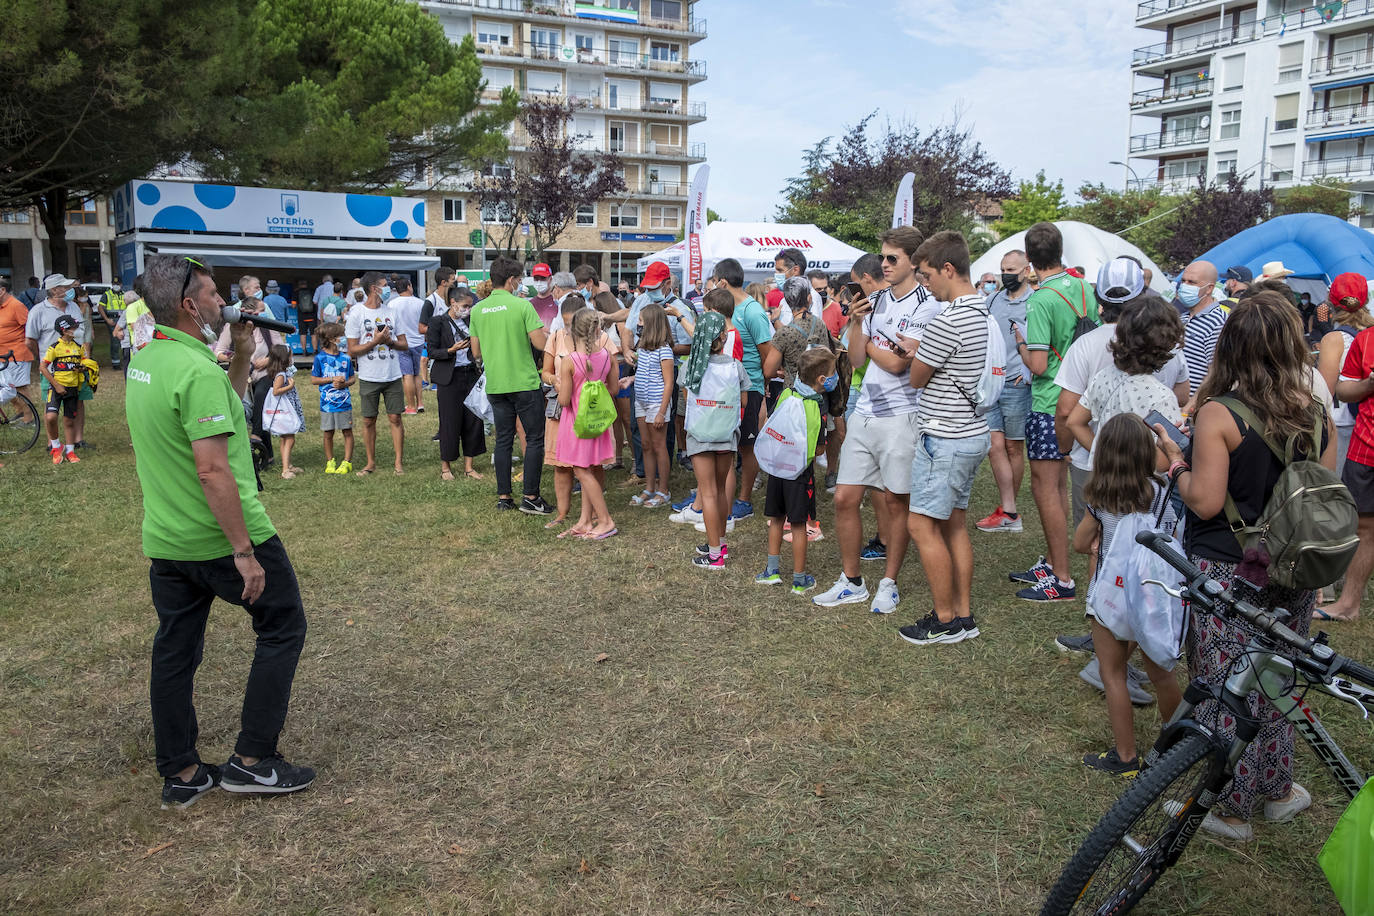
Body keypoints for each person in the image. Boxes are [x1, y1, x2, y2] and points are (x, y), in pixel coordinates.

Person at [125, 252, 313, 809]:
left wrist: (236, 348)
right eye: (211, 293)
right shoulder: (193, 370)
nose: (219, 299)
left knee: (175, 649)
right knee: (283, 627)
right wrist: (244, 552)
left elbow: (223, 403)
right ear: (188, 304)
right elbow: (212, 469)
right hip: (222, 537)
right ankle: (253, 761)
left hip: (167, 538)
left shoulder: (149, 359)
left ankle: (181, 770)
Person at [1156, 292, 1325, 840]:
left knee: (1226, 681)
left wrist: (1172, 465)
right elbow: (1322, 486)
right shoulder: (1314, 409)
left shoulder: (1219, 413)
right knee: (1279, 677)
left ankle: (1229, 805)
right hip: (1292, 562)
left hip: (1233, 567)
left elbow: (1204, 501)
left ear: (1231, 346)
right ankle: (1277, 788)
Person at [814, 227, 939, 616]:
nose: (884, 264)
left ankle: (889, 583)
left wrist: (870, 342)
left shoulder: (926, 304)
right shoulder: (875, 300)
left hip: (903, 415)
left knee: (895, 501)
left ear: (913, 262)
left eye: (892, 258)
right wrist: (855, 325)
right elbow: (855, 360)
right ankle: (852, 582)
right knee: (845, 499)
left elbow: (901, 364)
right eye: (882, 257)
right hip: (867, 412)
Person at [896, 230, 992, 645]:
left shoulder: (947, 318)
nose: (923, 283)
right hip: (972, 432)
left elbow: (917, 378)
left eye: (926, 274)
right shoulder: (984, 310)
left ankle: (945, 619)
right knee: (954, 524)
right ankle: (963, 614)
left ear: (947, 269)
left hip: (945, 435)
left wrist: (915, 352)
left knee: (920, 525)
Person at [1074, 413, 1183, 776]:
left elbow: (1078, 543)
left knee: (1114, 675)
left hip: (1111, 596)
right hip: (1154, 595)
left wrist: (1093, 542)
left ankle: (1125, 757)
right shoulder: (1165, 491)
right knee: (1162, 674)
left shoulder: (1100, 498)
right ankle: (1180, 747)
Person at [1008, 222, 1099, 601]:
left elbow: (1041, 365)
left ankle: (1061, 578)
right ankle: (1051, 560)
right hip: (1084, 398)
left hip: (1049, 402)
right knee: (1059, 487)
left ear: (1029, 259)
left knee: (1047, 489)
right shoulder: (1083, 286)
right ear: (1060, 252)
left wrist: (1021, 344)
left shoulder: (1039, 299)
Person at [470, 256, 552, 514]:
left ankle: (504, 497)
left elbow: (476, 351)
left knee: (503, 440)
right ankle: (531, 497)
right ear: (511, 280)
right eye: (518, 279)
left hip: (496, 384)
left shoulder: (477, 309)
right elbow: (540, 344)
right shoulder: (522, 306)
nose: (519, 284)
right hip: (524, 381)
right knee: (535, 438)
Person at [757, 348, 835, 593]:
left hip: (777, 469)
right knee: (799, 524)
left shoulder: (785, 394)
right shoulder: (818, 405)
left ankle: (771, 571)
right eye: (832, 374)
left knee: (776, 519)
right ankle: (799, 579)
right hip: (800, 474)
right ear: (822, 379)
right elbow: (820, 449)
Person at [682, 303, 750, 568]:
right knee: (721, 491)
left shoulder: (691, 367)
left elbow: (687, 397)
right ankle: (719, 543)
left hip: (700, 435)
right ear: (723, 336)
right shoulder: (735, 366)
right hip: (726, 434)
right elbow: (743, 402)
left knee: (707, 492)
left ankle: (714, 555)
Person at [712, 258, 775, 522]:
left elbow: (767, 354)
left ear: (724, 282)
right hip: (725, 388)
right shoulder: (726, 308)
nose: (714, 286)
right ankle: (716, 494)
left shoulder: (752, 311)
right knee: (726, 443)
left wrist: (763, 388)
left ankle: (744, 499)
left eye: (716, 281)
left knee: (748, 445)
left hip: (750, 388)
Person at [977, 249, 1034, 533]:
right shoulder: (994, 299)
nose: (1006, 275)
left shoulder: (1034, 301)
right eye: (1003, 269)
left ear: (1026, 270)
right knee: (994, 445)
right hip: (993, 383)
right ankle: (1008, 509)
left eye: (1012, 269)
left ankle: (1010, 510)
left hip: (1016, 385)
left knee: (1013, 446)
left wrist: (1027, 375)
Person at [556, 308, 619, 540]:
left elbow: (564, 400)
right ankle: (585, 520)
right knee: (590, 468)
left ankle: (605, 520)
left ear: (574, 331)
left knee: (581, 470)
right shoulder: (607, 356)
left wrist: (557, 385)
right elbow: (613, 389)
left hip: (576, 423)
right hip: (597, 421)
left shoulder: (570, 361)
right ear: (597, 329)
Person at [345, 270, 408, 476]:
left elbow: (404, 344)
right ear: (374, 288)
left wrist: (389, 342)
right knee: (368, 420)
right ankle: (370, 463)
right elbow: (351, 350)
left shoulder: (391, 312)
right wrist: (375, 342)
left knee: (395, 418)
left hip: (392, 374)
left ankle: (398, 463)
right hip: (369, 375)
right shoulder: (357, 313)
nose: (389, 288)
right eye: (385, 284)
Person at [26, 274, 91, 451]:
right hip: (53, 368)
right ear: (55, 290)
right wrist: (42, 359)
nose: (70, 290)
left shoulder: (74, 308)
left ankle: (78, 440)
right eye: (66, 287)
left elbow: (82, 333)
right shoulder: (38, 311)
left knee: (79, 400)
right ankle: (52, 443)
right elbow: (30, 340)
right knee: (52, 405)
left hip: (76, 366)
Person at [427, 285, 485, 483]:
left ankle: (469, 466)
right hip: (449, 377)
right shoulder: (438, 322)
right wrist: (450, 350)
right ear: (453, 303)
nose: (467, 309)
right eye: (464, 305)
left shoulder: (471, 320)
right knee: (449, 421)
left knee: (473, 419)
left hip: (470, 374)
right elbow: (432, 351)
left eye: (470, 306)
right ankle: (446, 466)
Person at [1316, 272, 1374, 471]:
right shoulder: (1370, 333)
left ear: (1331, 302)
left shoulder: (1334, 339)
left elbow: (1324, 392)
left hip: (1343, 426)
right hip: (1367, 424)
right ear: (1366, 299)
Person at [542, 294, 588, 528]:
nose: (569, 327)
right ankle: (562, 513)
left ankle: (591, 514)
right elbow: (545, 371)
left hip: (587, 411)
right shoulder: (556, 336)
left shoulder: (596, 339)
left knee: (588, 465)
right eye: (566, 321)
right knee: (561, 465)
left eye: (573, 323)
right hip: (561, 408)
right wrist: (554, 380)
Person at [630, 303, 675, 507]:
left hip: (657, 403)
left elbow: (668, 383)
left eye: (640, 320)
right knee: (646, 445)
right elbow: (643, 373)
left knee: (659, 445)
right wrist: (630, 380)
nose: (638, 324)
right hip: (641, 401)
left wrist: (662, 412)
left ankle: (663, 490)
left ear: (651, 324)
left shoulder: (664, 351)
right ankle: (649, 487)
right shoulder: (642, 346)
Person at [310, 322, 356, 475]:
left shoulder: (346, 358)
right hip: (327, 404)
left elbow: (352, 378)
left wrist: (345, 384)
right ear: (331, 338)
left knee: (347, 432)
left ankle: (346, 462)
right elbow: (314, 379)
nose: (343, 338)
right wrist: (331, 380)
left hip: (344, 404)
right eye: (340, 335)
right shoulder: (320, 358)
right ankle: (330, 461)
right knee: (328, 433)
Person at [40, 314, 85, 465]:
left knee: (69, 421)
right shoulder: (54, 347)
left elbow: (82, 365)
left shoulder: (78, 347)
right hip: (56, 388)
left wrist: (82, 368)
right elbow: (43, 367)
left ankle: (70, 452)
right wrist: (57, 385)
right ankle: (56, 447)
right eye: (73, 327)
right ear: (64, 330)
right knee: (50, 417)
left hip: (72, 389)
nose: (76, 329)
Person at [1178, 260, 1227, 396]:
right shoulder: (1182, 318)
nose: (1184, 286)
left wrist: (1190, 407)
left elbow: (1215, 373)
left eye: (1191, 282)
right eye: (1183, 281)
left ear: (1209, 288)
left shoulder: (1218, 322)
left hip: (1190, 409)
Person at [263, 344, 305, 479]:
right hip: (285, 409)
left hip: (286, 407)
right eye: (290, 356)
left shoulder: (282, 372)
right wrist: (290, 386)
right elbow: (276, 391)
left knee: (284, 438)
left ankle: (287, 464)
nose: (292, 358)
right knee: (290, 438)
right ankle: (285, 469)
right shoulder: (281, 374)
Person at [387, 276, 426, 415]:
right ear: (409, 286)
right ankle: (420, 403)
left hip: (401, 342)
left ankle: (410, 406)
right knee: (417, 374)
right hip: (418, 341)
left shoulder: (392, 304)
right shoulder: (420, 303)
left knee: (407, 375)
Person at [0, 277, 34, 407]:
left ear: (2, 290)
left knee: (19, 387)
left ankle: (29, 418)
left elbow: (30, 329)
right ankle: (20, 414)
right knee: (5, 387)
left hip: (16, 354)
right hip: (2, 354)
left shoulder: (16, 305)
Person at [97, 278, 127, 369]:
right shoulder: (107, 294)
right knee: (115, 342)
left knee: (126, 340)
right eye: (114, 284)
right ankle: (116, 363)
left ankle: (126, 360)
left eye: (117, 284)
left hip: (124, 319)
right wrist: (107, 320)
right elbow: (100, 307)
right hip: (112, 319)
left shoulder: (125, 294)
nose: (116, 285)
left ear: (121, 284)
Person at [529, 263, 558, 328]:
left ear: (550, 279)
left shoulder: (557, 303)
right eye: (536, 279)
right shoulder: (529, 304)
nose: (539, 282)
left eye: (543, 278)